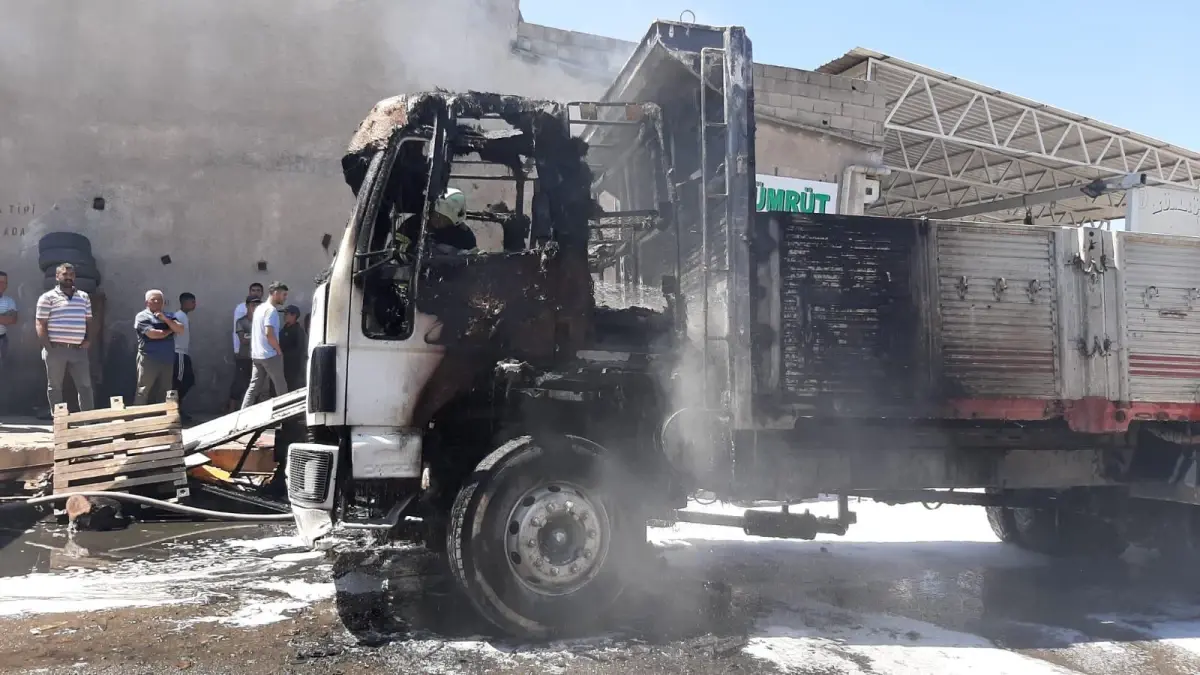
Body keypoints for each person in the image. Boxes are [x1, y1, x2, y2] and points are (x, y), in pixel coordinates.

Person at [35, 263, 94, 412]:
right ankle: (59, 421)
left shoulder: (84, 297)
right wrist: (48, 347)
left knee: (85, 386)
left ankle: (88, 421)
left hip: (78, 349)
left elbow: (89, 321)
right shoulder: (47, 297)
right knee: (55, 386)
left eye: (71, 275)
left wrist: (88, 340)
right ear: (57, 276)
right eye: (65, 274)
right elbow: (40, 323)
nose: (68, 278)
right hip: (56, 348)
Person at [241, 282, 289, 409]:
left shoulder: (259, 309)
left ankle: (242, 416)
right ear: (275, 293)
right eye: (283, 295)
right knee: (281, 387)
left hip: (257, 355)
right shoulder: (271, 310)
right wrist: (278, 350)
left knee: (253, 388)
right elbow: (269, 333)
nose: (285, 298)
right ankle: (285, 419)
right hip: (270, 355)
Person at [133, 289, 185, 405]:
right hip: (148, 359)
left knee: (166, 391)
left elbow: (181, 329)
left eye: (159, 300)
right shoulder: (142, 317)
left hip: (167, 360)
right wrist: (170, 330)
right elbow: (153, 334)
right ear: (147, 302)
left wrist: (166, 320)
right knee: (143, 390)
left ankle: (164, 418)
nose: (157, 302)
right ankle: (138, 417)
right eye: (153, 300)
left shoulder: (169, 316)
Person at [228, 295, 259, 410]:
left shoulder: (261, 322)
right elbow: (243, 340)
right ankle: (231, 411)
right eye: (252, 305)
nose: (255, 307)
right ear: (247, 306)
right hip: (244, 357)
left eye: (257, 305)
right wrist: (257, 336)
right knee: (238, 385)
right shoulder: (241, 321)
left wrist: (251, 336)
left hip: (257, 358)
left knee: (254, 386)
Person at [172, 292, 197, 419]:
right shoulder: (179, 316)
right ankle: (175, 410)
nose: (195, 305)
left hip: (183, 353)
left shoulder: (184, 317)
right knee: (179, 382)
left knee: (188, 380)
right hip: (179, 353)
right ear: (185, 302)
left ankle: (178, 408)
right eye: (192, 302)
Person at [279, 304, 307, 391]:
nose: (284, 316)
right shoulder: (283, 330)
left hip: (294, 368)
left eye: (287, 314)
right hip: (283, 365)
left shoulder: (298, 331)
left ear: (294, 315)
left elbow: (299, 350)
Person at [0, 271, 17, 410]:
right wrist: (3, 316)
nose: (2, 285)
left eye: (4, 282)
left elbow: (12, 319)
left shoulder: (9, 301)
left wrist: (7, 317)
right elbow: (6, 318)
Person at [232, 282, 264, 354]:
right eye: (253, 290)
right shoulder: (241, 308)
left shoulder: (266, 307)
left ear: (262, 293)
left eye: (258, 290)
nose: (256, 293)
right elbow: (236, 330)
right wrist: (236, 349)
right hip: (246, 350)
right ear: (249, 292)